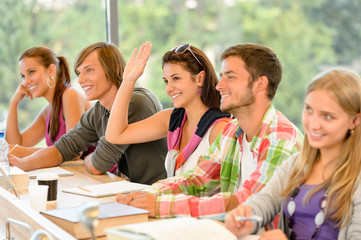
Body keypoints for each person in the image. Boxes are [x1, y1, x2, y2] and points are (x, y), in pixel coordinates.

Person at [116, 43, 303, 223]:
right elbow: (196, 179)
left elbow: (247, 203)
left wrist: (160, 206)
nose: (219, 85)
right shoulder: (232, 132)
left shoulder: (280, 138)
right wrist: (146, 196)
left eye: (230, 77)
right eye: (222, 77)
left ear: (260, 83)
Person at [225, 69, 361, 239]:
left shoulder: (357, 177)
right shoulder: (294, 164)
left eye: (327, 116)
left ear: (355, 121)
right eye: (309, 110)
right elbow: (264, 202)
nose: (314, 124)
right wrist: (245, 217)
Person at [9, 42, 167, 184]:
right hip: (131, 191)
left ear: (115, 69)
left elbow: (99, 164)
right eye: (79, 73)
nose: (81, 80)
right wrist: (22, 164)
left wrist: (91, 159)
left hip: (156, 193)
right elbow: (60, 149)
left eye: (89, 70)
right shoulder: (98, 111)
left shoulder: (137, 101)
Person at [106, 43, 231, 177]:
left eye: (176, 78)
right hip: (170, 197)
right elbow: (114, 136)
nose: (169, 88)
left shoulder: (219, 129)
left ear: (200, 79)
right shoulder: (173, 119)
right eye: (166, 81)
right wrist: (128, 81)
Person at [5, 46, 94, 159]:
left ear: (51, 70)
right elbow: (16, 145)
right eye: (23, 76)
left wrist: (21, 152)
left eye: (31, 72)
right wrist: (14, 102)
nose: (26, 81)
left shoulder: (71, 95)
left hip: (102, 175)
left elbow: (74, 152)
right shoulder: (49, 110)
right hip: (77, 174)